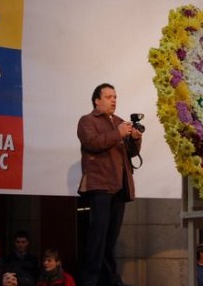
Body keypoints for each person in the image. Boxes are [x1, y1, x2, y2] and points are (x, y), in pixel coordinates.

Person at [77, 83, 143, 286]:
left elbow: (130, 153)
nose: (114, 100)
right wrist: (119, 133)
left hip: (119, 187)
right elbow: (91, 143)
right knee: (97, 238)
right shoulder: (87, 120)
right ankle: (91, 280)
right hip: (101, 186)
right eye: (108, 96)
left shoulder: (120, 122)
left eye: (115, 96)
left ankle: (110, 280)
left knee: (110, 239)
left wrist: (136, 139)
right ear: (97, 100)